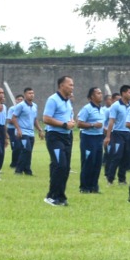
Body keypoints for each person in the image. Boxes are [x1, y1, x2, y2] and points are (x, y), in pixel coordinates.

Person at [42, 76, 76, 206]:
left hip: (67, 137)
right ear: (61, 85)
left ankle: (61, 196)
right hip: (55, 136)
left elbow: (67, 117)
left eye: (73, 85)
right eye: (70, 85)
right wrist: (64, 125)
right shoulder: (53, 99)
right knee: (59, 165)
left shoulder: (68, 101)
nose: (72, 87)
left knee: (66, 168)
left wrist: (71, 123)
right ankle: (51, 196)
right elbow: (46, 118)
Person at [76, 87, 106, 194]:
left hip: (99, 138)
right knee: (88, 163)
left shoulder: (102, 109)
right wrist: (93, 125)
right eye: (98, 93)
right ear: (92, 96)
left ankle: (94, 187)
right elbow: (79, 123)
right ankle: (84, 187)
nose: (101, 95)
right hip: (88, 138)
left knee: (97, 163)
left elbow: (101, 125)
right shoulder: (87, 108)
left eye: (101, 93)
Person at [104, 85, 130, 186]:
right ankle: (110, 179)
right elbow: (111, 121)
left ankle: (122, 179)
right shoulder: (115, 105)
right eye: (129, 92)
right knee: (117, 156)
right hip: (118, 134)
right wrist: (108, 136)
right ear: (123, 93)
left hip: (128, 134)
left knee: (126, 157)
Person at [10, 87, 39, 176]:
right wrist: (18, 129)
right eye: (29, 93)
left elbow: (35, 119)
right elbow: (14, 118)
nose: (32, 95)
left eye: (32, 93)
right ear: (25, 94)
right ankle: (18, 170)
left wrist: (40, 129)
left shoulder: (35, 106)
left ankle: (27, 170)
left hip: (31, 133)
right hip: (23, 132)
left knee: (29, 151)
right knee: (26, 149)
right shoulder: (20, 105)